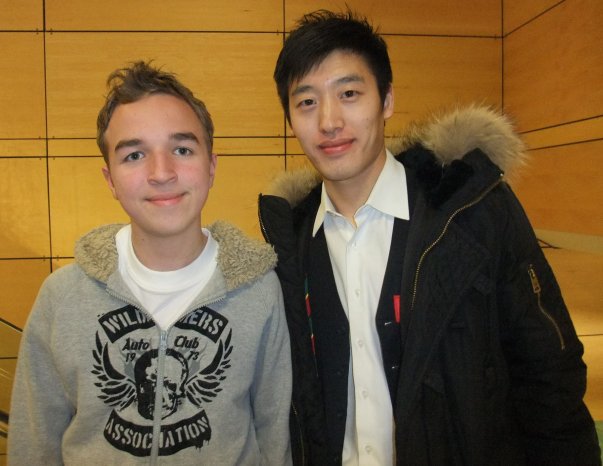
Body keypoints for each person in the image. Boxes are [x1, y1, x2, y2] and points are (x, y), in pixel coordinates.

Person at [258, 9, 601, 466]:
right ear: (289, 118)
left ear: (387, 100)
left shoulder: (474, 213)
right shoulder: (290, 244)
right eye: (306, 102)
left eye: (349, 93)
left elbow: (548, 373)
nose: (329, 120)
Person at [9, 61, 292, 465]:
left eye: (182, 149)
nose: (162, 173)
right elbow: (33, 444)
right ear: (110, 179)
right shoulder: (62, 297)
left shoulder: (260, 292)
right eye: (135, 155)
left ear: (211, 166)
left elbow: (276, 436)